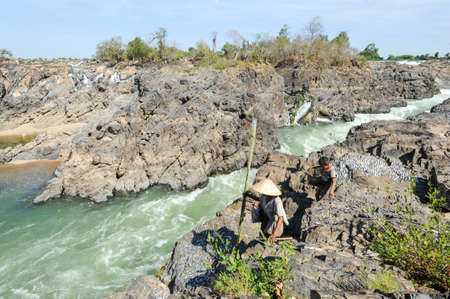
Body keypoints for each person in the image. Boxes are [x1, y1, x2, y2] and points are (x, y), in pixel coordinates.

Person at [251, 178, 289, 243]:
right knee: (262, 237)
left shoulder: (277, 201)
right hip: (266, 219)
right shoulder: (263, 196)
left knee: (270, 240)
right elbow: (258, 199)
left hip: (274, 224)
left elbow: (281, 218)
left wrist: (274, 234)